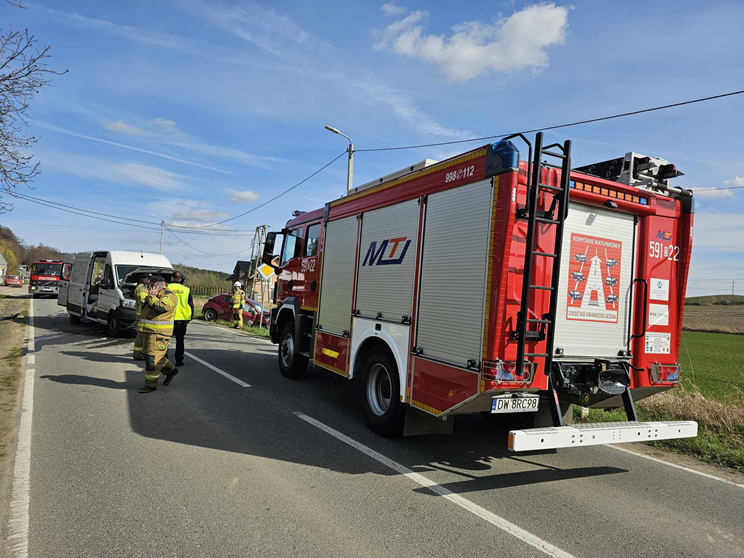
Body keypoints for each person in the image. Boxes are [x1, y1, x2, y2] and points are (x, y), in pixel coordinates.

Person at [138, 275, 178, 393]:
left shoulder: (169, 294)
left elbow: (160, 307)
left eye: (152, 285)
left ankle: (150, 384)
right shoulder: (155, 295)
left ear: (159, 284)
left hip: (159, 333)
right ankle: (170, 370)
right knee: (147, 354)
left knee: (152, 359)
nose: (150, 288)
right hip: (149, 331)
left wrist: (151, 296)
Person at [167, 271, 194, 367]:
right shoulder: (186, 289)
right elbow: (190, 305)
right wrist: (189, 318)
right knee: (180, 340)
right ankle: (179, 360)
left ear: (172, 278)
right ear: (181, 279)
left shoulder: (167, 288)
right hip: (182, 319)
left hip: (168, 318)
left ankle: (164, 360)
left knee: (165, 339)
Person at [132, 273, 152, 361]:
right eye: (148, 278)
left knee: (142, 333)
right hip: (143, 314)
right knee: (141, 334)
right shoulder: (142, 289)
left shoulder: (142, 287)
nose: (150, 280)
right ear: (144, 279)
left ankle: (140, 353)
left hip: (142, 314)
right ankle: (138, 354)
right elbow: (144, 302)